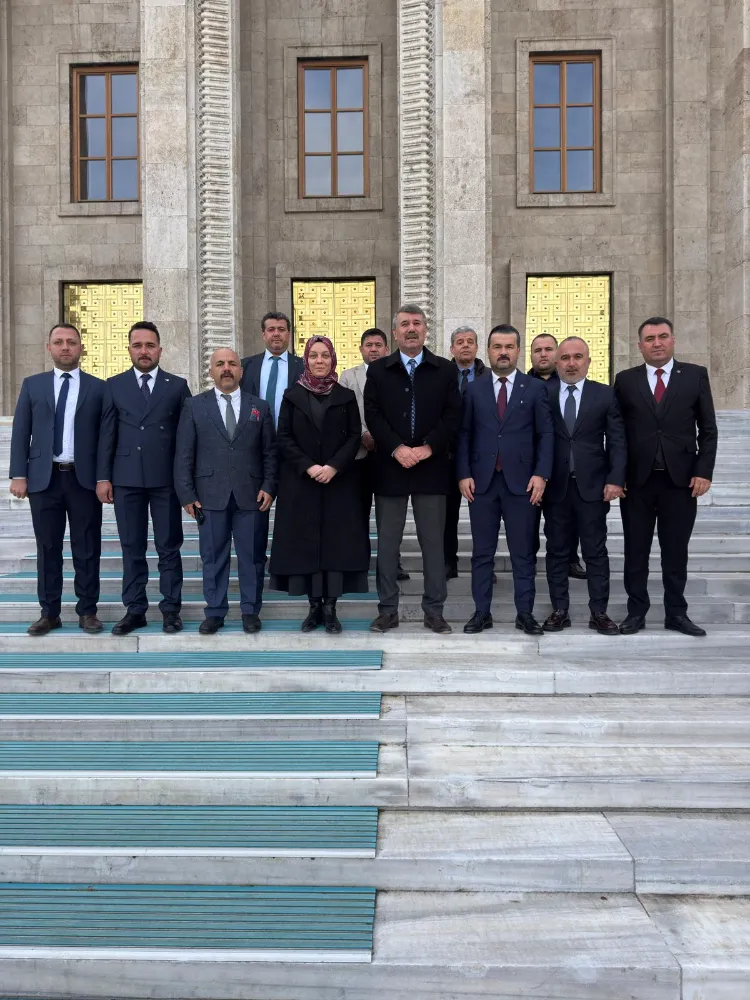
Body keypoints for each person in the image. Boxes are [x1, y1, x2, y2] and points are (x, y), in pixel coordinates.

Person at [614, 317, 717, 637]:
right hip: (637, 482)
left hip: (680, 482)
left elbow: (708, 429)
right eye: (649, 339)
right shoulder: (625, 380)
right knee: (636, 551)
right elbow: (617, 433)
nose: (656, 343)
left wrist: (703, 471)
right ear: (639, 345)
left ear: (672, 340)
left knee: (675, 551)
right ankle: (636, 612)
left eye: (662, 337)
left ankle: (676, 613)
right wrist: (617, 474)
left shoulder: (695, 375)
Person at [364, 304, 462, 634]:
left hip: (431, 469)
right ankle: (387, 610)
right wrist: (397, 448)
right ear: (395, 332)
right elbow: (373, 414)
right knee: (388, 545)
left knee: (433, 544)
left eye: (417, 323)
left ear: (425, 330)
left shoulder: (444, 370)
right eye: (404, 323)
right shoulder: (378, 371)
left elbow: (453, 415)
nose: (411, 328)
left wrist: (427, 447)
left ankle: (434, 610)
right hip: (390, 468)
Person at [457, 324, 554, 635]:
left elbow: (545, 434)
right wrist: (463, 473)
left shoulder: (534, 388)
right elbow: (464, 434)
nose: (503, 352)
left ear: (517, 351)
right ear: (488, 351)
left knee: (523, 553)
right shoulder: (474, 389)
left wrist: (541, 474)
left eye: (509, 347)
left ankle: (524, 613)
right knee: (481, 553)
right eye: (497, 347)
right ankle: (481, 612)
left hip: (522, 484)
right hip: (482, 484)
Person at [9, 323, 105, 635]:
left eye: (71, 342)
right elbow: (21, 431)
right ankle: (49, 613)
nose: (65, 347)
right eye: (59, 342)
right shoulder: (32, 385)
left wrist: (104, 477)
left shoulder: (98, 388)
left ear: (81, 348)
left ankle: (87, 611)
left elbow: (106, 438)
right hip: (44, 479)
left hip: (83, 480)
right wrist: (19, 474)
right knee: (48, 548)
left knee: (87, 548)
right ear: (49, 347)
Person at [96, 321, 191, 635]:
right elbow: (107, 434)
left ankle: (171, 610)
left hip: (165, 480)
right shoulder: (114, 385)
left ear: (160, 350)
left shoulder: (177, 386)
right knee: (131, 547)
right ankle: (135, 609)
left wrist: (186, 482)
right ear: (129, 350)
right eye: (138, 345)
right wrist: (103, 477)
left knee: (169, 547)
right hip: (126, 479)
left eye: (150, 345)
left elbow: (187, 438)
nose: (144, 351)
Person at [270, 335, 369, 634]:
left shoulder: (345, 395)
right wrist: (310, 467)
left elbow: (354, 435)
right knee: (306, 545)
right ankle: (313, 607)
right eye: (314, 355)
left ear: (333, 359)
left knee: (336, 546)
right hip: (302, 483)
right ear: (306, 360)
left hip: (339, 483)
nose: (319, 361)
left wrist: (333, 466)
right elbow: (284, 437)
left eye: (325, 355)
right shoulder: (291, 395)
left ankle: (331, 608)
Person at [174, 348, 277, 635]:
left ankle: (250, 611)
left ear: (241, 371)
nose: (227, 368)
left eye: (232, 363)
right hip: (208, 496)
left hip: (252, 496)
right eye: (220, 364)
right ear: (211, 371)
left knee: (252, 557)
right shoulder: (195, 406)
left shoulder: (260, 407)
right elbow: (184, 453)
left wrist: (269, 486)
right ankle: (215, 612)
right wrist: (186, 494)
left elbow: (270, 452)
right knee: (213, 557)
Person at [541, 337, 626, 635]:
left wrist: (615, 479)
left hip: (592, 488)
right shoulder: (544, 393)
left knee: (595, 552)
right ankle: (559, 610)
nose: (571, 363)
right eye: (565, 358)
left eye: (578, 357)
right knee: (557, 551)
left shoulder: (604, 395)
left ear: (589, 362)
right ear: (557, 363)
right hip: (555, 487)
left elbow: (617, 440)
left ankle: (598, 612)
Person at [339, 328, 409, 582]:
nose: (374, 349)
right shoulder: (348, 377)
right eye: (368, 345)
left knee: (389, 516)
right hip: (357, 455)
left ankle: (392, 562)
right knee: (357, 512)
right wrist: (363, 435)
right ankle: (358, 561)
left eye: (378, 345)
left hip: (388, 455)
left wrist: (384, 438)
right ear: (361, 349)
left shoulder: (399, 375)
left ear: (387, 349)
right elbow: (343, 412)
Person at [528, 332, 586, 580]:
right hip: (530, 469)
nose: (543, 354)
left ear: (557, 354)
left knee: (567, 522)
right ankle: (528, 562)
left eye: (548, 349)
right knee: (528, 522)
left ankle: (571, 560)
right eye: (537, 350)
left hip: (563, 468)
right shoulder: (522, 385)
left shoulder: (570, 385)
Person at [445, 326, 486, 580]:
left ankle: (483, 564)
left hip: (481, 456)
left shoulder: (489, 377)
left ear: (477, 347)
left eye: (470, 341)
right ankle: (448, 562)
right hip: (447, 456)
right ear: (452, 348)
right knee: (447, 515)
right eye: (460, 342)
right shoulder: (441, 375)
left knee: (483, 516)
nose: (465, 345)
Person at [240, 312, 304, 427]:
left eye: (281, 329)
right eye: (271, 329)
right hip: (254, 433)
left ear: (289, 334)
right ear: (263, 335)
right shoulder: (245, 366)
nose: (276, 334)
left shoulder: (303, 367)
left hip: (291, 434)